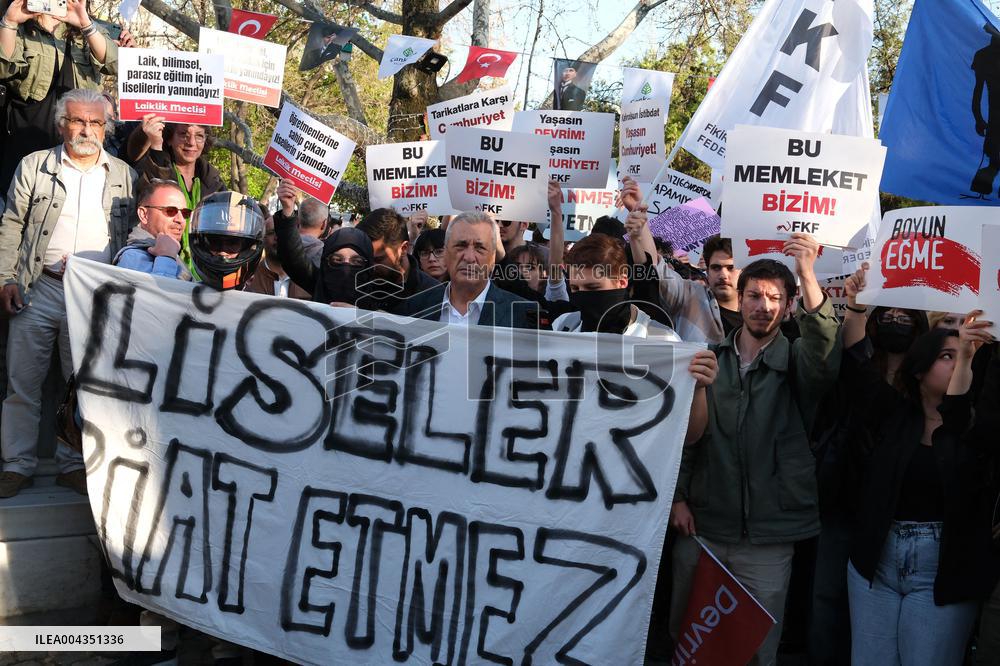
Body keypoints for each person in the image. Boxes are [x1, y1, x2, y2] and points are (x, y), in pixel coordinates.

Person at [668, 234, 841, 666]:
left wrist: (806, 271)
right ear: (740, 300)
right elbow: (688, 437)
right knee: (688, 639)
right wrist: (678, 498)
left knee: (755, 646)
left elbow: (823, 353)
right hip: (703, 527)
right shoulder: (709, 358)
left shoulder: (798, 360)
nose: (762, 305)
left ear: (788, 305)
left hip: (768, 536)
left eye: (773, 298)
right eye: (754, 296)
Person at [839, 263, 999, 665]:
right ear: (920, 367)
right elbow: (859, 363)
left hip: (943, 572)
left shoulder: (975, 429)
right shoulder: (894, 415)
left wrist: (965, 355)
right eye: (945, 355)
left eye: (959, 357)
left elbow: (958, 413)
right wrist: (856, 310)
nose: (956, 360)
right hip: (876, 563)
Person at [0, 87, 136, 498]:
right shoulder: (35, 166)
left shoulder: (122, 174)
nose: (87, 130)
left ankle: (73, 464)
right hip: (38, 287)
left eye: (96, 122)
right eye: (78, 120)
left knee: (82, 388)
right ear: (62, 124)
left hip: (94, 295)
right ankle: (16, 464)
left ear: (106, 127)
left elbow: (130, 236)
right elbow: (11, 224)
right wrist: (5, 277)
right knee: (22, 382)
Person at [0, 0, 118, 193]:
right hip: (28, 134)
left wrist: (85, 24)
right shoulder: (20, 22)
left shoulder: (87, 26)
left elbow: (114, 63)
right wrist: (10, 22)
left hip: (78, 136)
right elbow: (3, 68)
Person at [402, 211, 537, 328]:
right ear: (447, 253)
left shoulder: (524, 315)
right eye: (461, 246)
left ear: (493, 257)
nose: (469, 257)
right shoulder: (413, 308)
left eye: (480, 248)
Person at [354, 206, 440, 312]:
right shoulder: (358, 283)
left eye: (379, 259)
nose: (371, 267)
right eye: (366, 259)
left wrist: (373, 319)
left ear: (403, 249)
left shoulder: (432, 292)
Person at [114, 178, 190, 280]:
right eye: (170, 211)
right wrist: (166, 258)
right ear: (144, 215)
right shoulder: (132, 258)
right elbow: (158, 294)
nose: (180, 220)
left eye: (185, 213)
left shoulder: (171, 252)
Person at [244, 208, 311, 299]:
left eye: (284, 233)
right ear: (262, 238)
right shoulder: (247, 276)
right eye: (272, 232)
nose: (278, 237)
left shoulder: (308, 277)